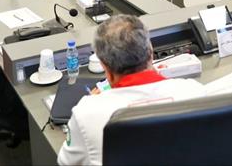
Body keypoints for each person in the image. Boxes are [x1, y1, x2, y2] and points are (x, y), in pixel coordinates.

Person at [57, 15, 205, 166]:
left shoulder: (87, 112)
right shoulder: (194, 92)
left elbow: (66, 162)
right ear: (150, 52)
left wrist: (91, 103)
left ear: (105, 66)